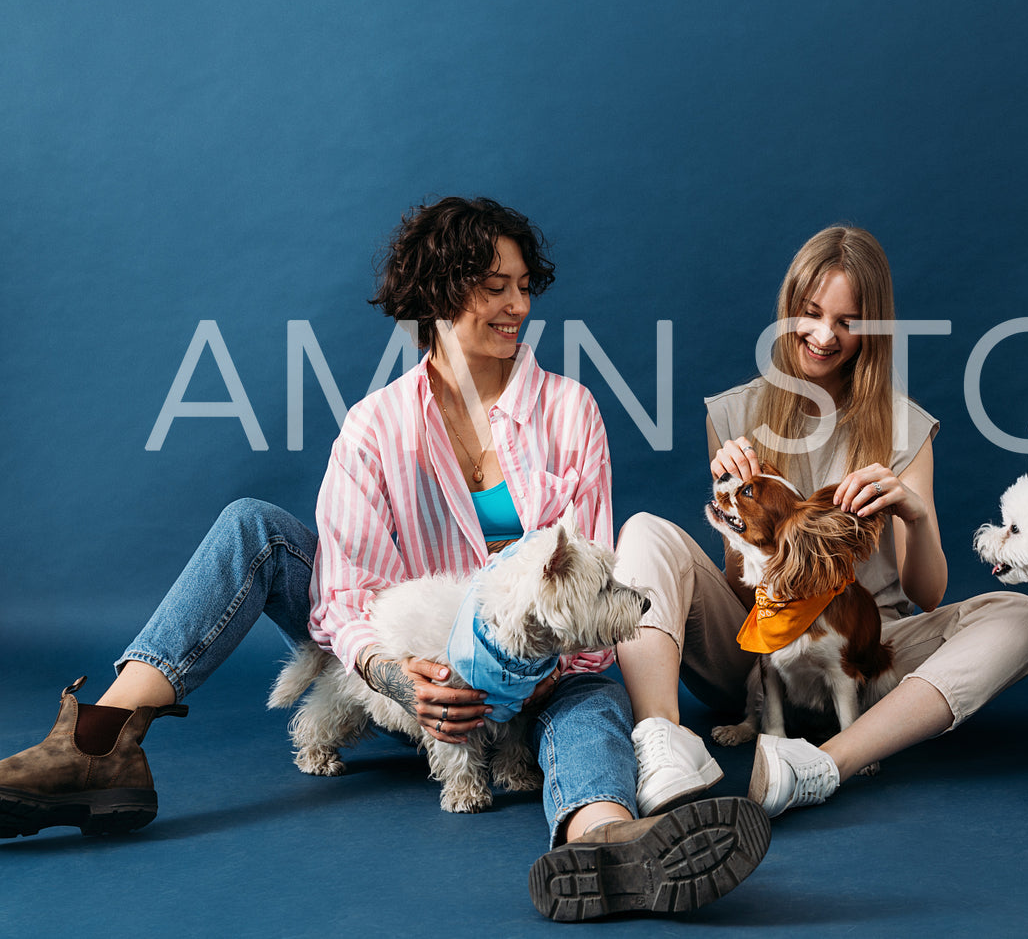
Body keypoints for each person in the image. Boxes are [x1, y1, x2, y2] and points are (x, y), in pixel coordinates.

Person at [0, 197, 768, 922]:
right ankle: (97, 747)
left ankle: (603, 842)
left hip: (529, 678)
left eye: (523, 287)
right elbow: (342, 597)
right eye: (492, 287)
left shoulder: (568, 412)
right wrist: (399, 675)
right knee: (253, 528)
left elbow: (587, 609)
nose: (516, 307)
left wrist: (514, 681)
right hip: (411, 663)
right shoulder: (374, 427)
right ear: (436, 293)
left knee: (591, 695)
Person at [613, 224, 1028, 818]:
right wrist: (737, 513)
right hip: (760, 645)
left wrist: (916, 517)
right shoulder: (736, 413)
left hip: (870, 651)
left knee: (1020, 614)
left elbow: (928, 595)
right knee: (643, 530)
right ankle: (663, 746)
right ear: (788, 307)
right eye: (810, 312)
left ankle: (829, 760)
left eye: (847, 322)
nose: (823, 336)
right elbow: (742, 587)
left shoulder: (904, 428)